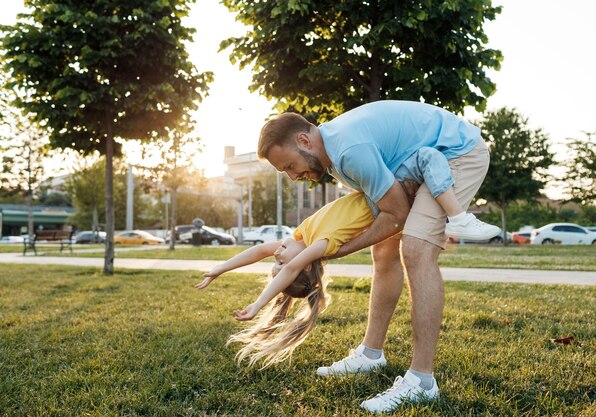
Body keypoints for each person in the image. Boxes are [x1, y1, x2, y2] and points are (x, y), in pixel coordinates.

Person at [257, 100, 493, 413]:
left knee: (416, 247)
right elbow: (387, 211)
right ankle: (371, 354)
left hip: (458, 152)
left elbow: (395, 215)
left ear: (304, 141)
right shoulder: (335, 154)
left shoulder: (347, 152)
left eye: (288, 166)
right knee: (383, 249)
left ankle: (422, 381)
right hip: (422, 156)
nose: (292, 176)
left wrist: (334, 250)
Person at [196, 142, 497, 368]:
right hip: (394, 194)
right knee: (428, 156)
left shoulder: (302, 236)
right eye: (281, 263)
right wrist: (259, 303)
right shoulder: (322, 245)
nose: (277, 255)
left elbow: (259, 250)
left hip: (379, 187)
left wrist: (220, 268)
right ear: (304, 265)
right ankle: (458, 216)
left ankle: (455, 213)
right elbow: (288, 270)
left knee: (421, 157)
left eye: (275, 261)